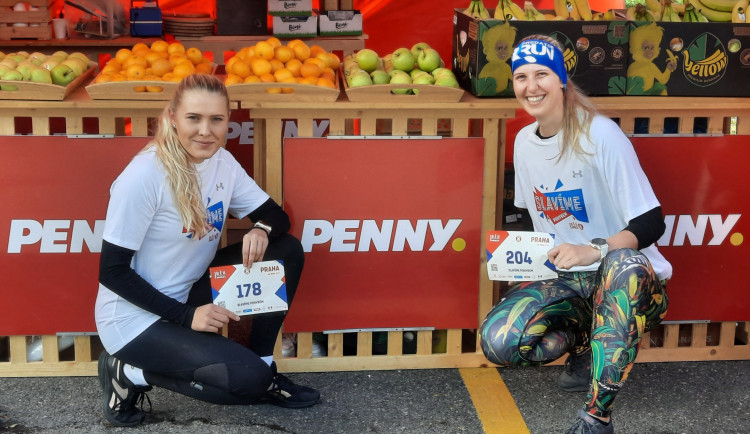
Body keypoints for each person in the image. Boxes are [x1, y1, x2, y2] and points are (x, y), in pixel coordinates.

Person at [94, 74, 319, 427]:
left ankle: (264, 363)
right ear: (172, 117)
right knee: (245, 384)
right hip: (138, 318)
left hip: (191, 293)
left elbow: (276, 216)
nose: (205, 131)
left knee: (285, 249)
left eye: (216, 120)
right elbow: (112, 272)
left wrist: (260, 229)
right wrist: (188, 317)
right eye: (194, 118)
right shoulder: (143, 176)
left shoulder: (222, 163)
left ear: (227, 122)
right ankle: (129, 371)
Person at [479, 36, 671, 434]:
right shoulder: (523, 142)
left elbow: (652, 221)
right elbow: (534, 223)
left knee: (623, 264)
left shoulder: (600, 135)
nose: (531, 86)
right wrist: (512, 255)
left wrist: (593, 249)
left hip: (631, 283)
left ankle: (596, 417)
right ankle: (587, 347)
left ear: (562, 79)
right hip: (570, 282)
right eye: (521, 77)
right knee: (500, 341)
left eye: (541, 75)